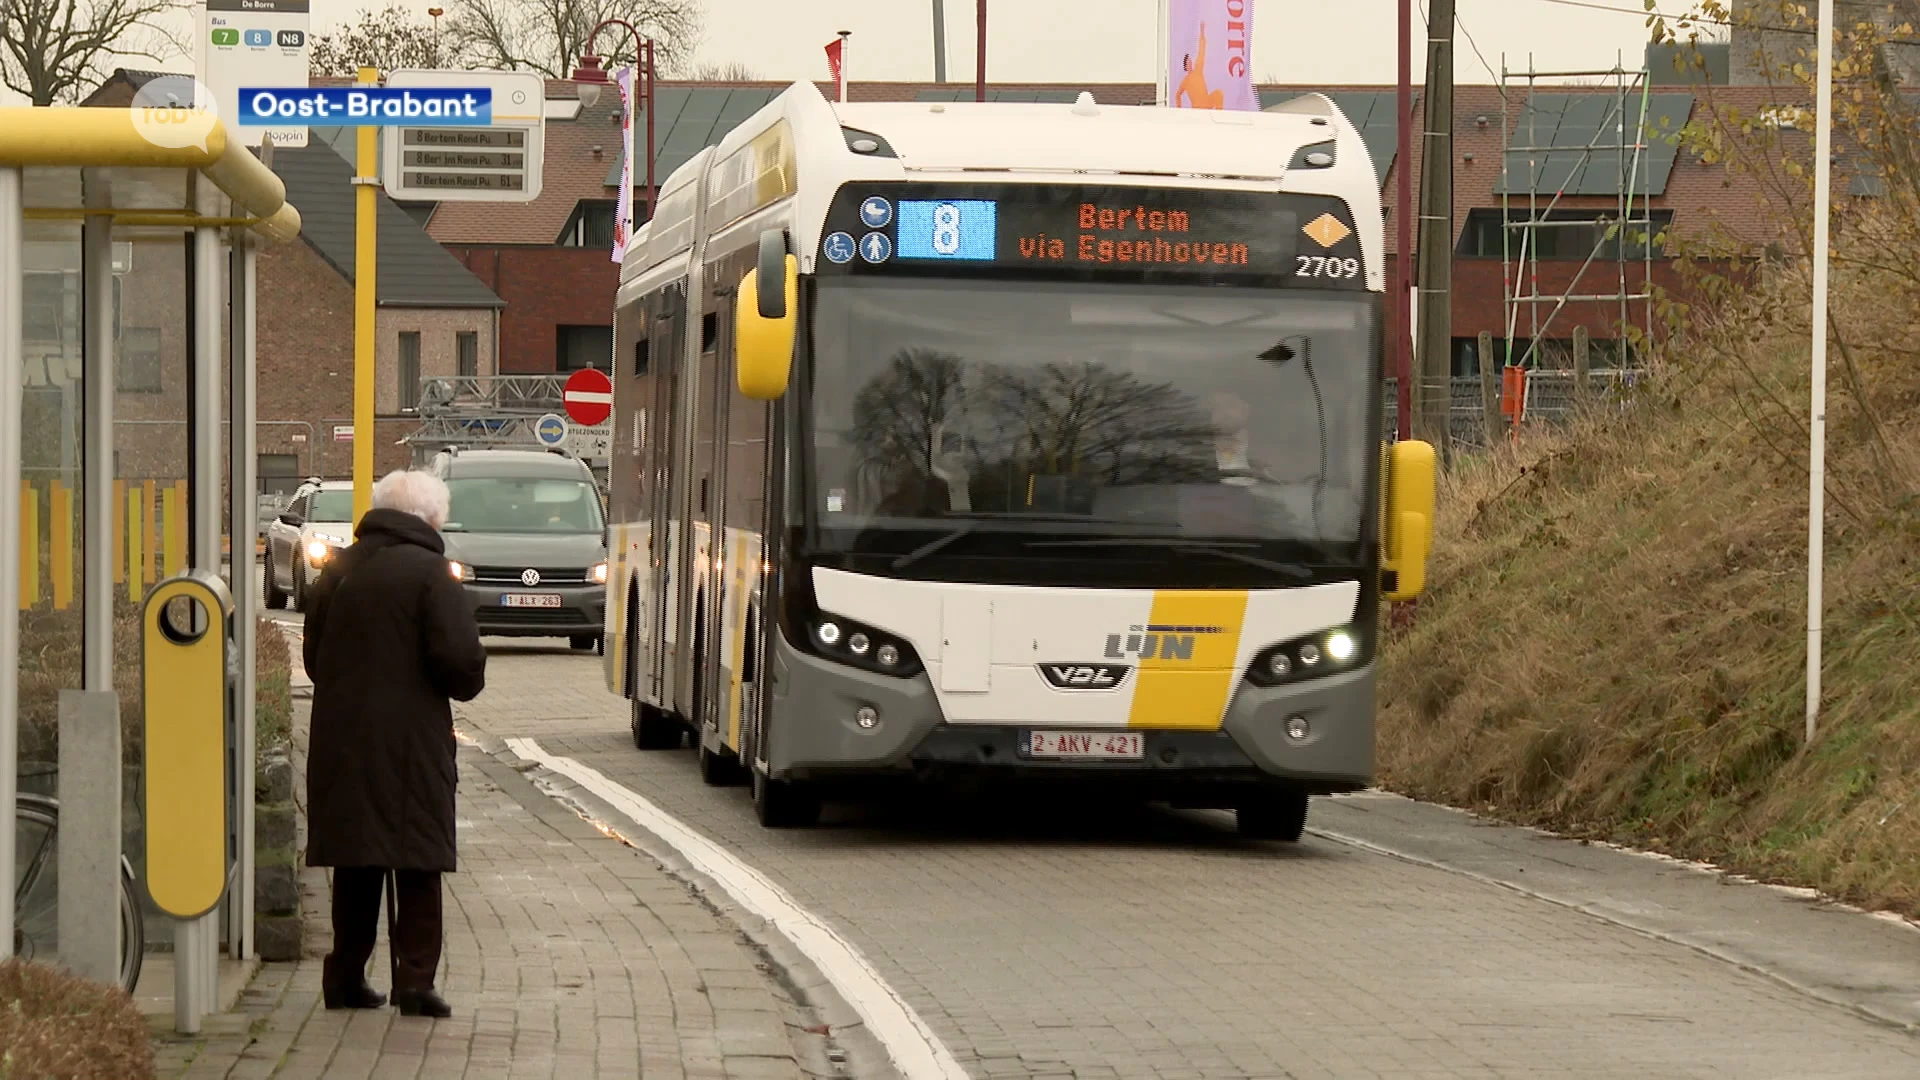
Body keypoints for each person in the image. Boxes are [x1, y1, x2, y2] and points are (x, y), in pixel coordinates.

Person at [302, 469, 487, 1019]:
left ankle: (344, 976)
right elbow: (460, 665)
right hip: (413, 740)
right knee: (417, 857)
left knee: (357, 858)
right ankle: (414, 981)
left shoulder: (338, 568)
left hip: (341, 736)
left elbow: (313, 659)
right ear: (429, 519)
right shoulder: (432, 574)